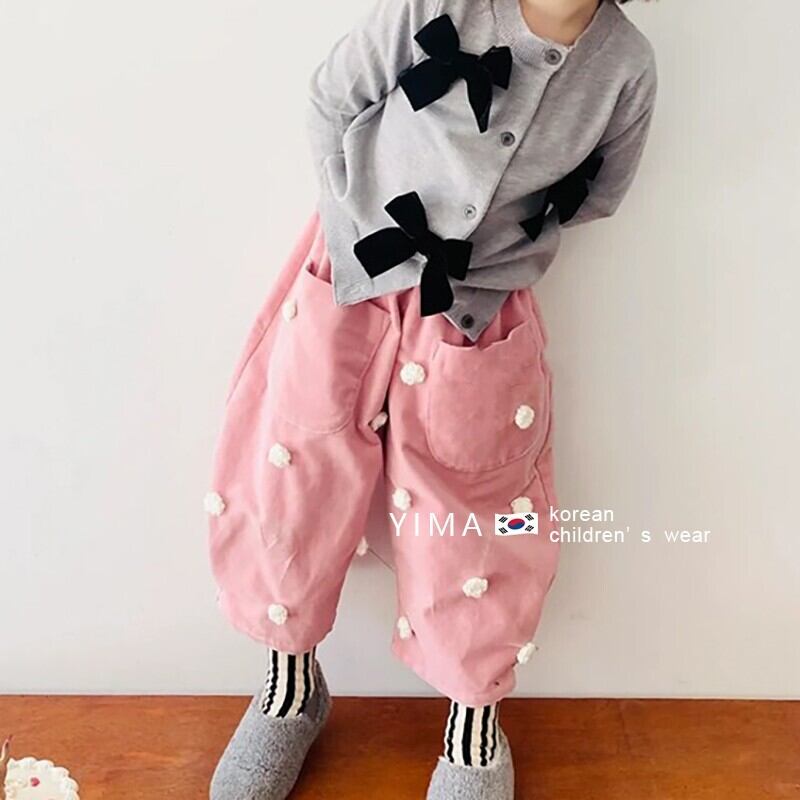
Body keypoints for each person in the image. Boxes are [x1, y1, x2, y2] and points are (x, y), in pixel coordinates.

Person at [207, 1, 657, 797]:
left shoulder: (625, 66)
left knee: (479, 508)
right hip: (351, 273)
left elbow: (600, 193)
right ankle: (289, 687)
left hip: (479, 310)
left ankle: (473, 724)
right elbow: (334, 96)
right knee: (295, 468)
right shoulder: (438, 3)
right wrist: (349, 221)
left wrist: (500, 251)